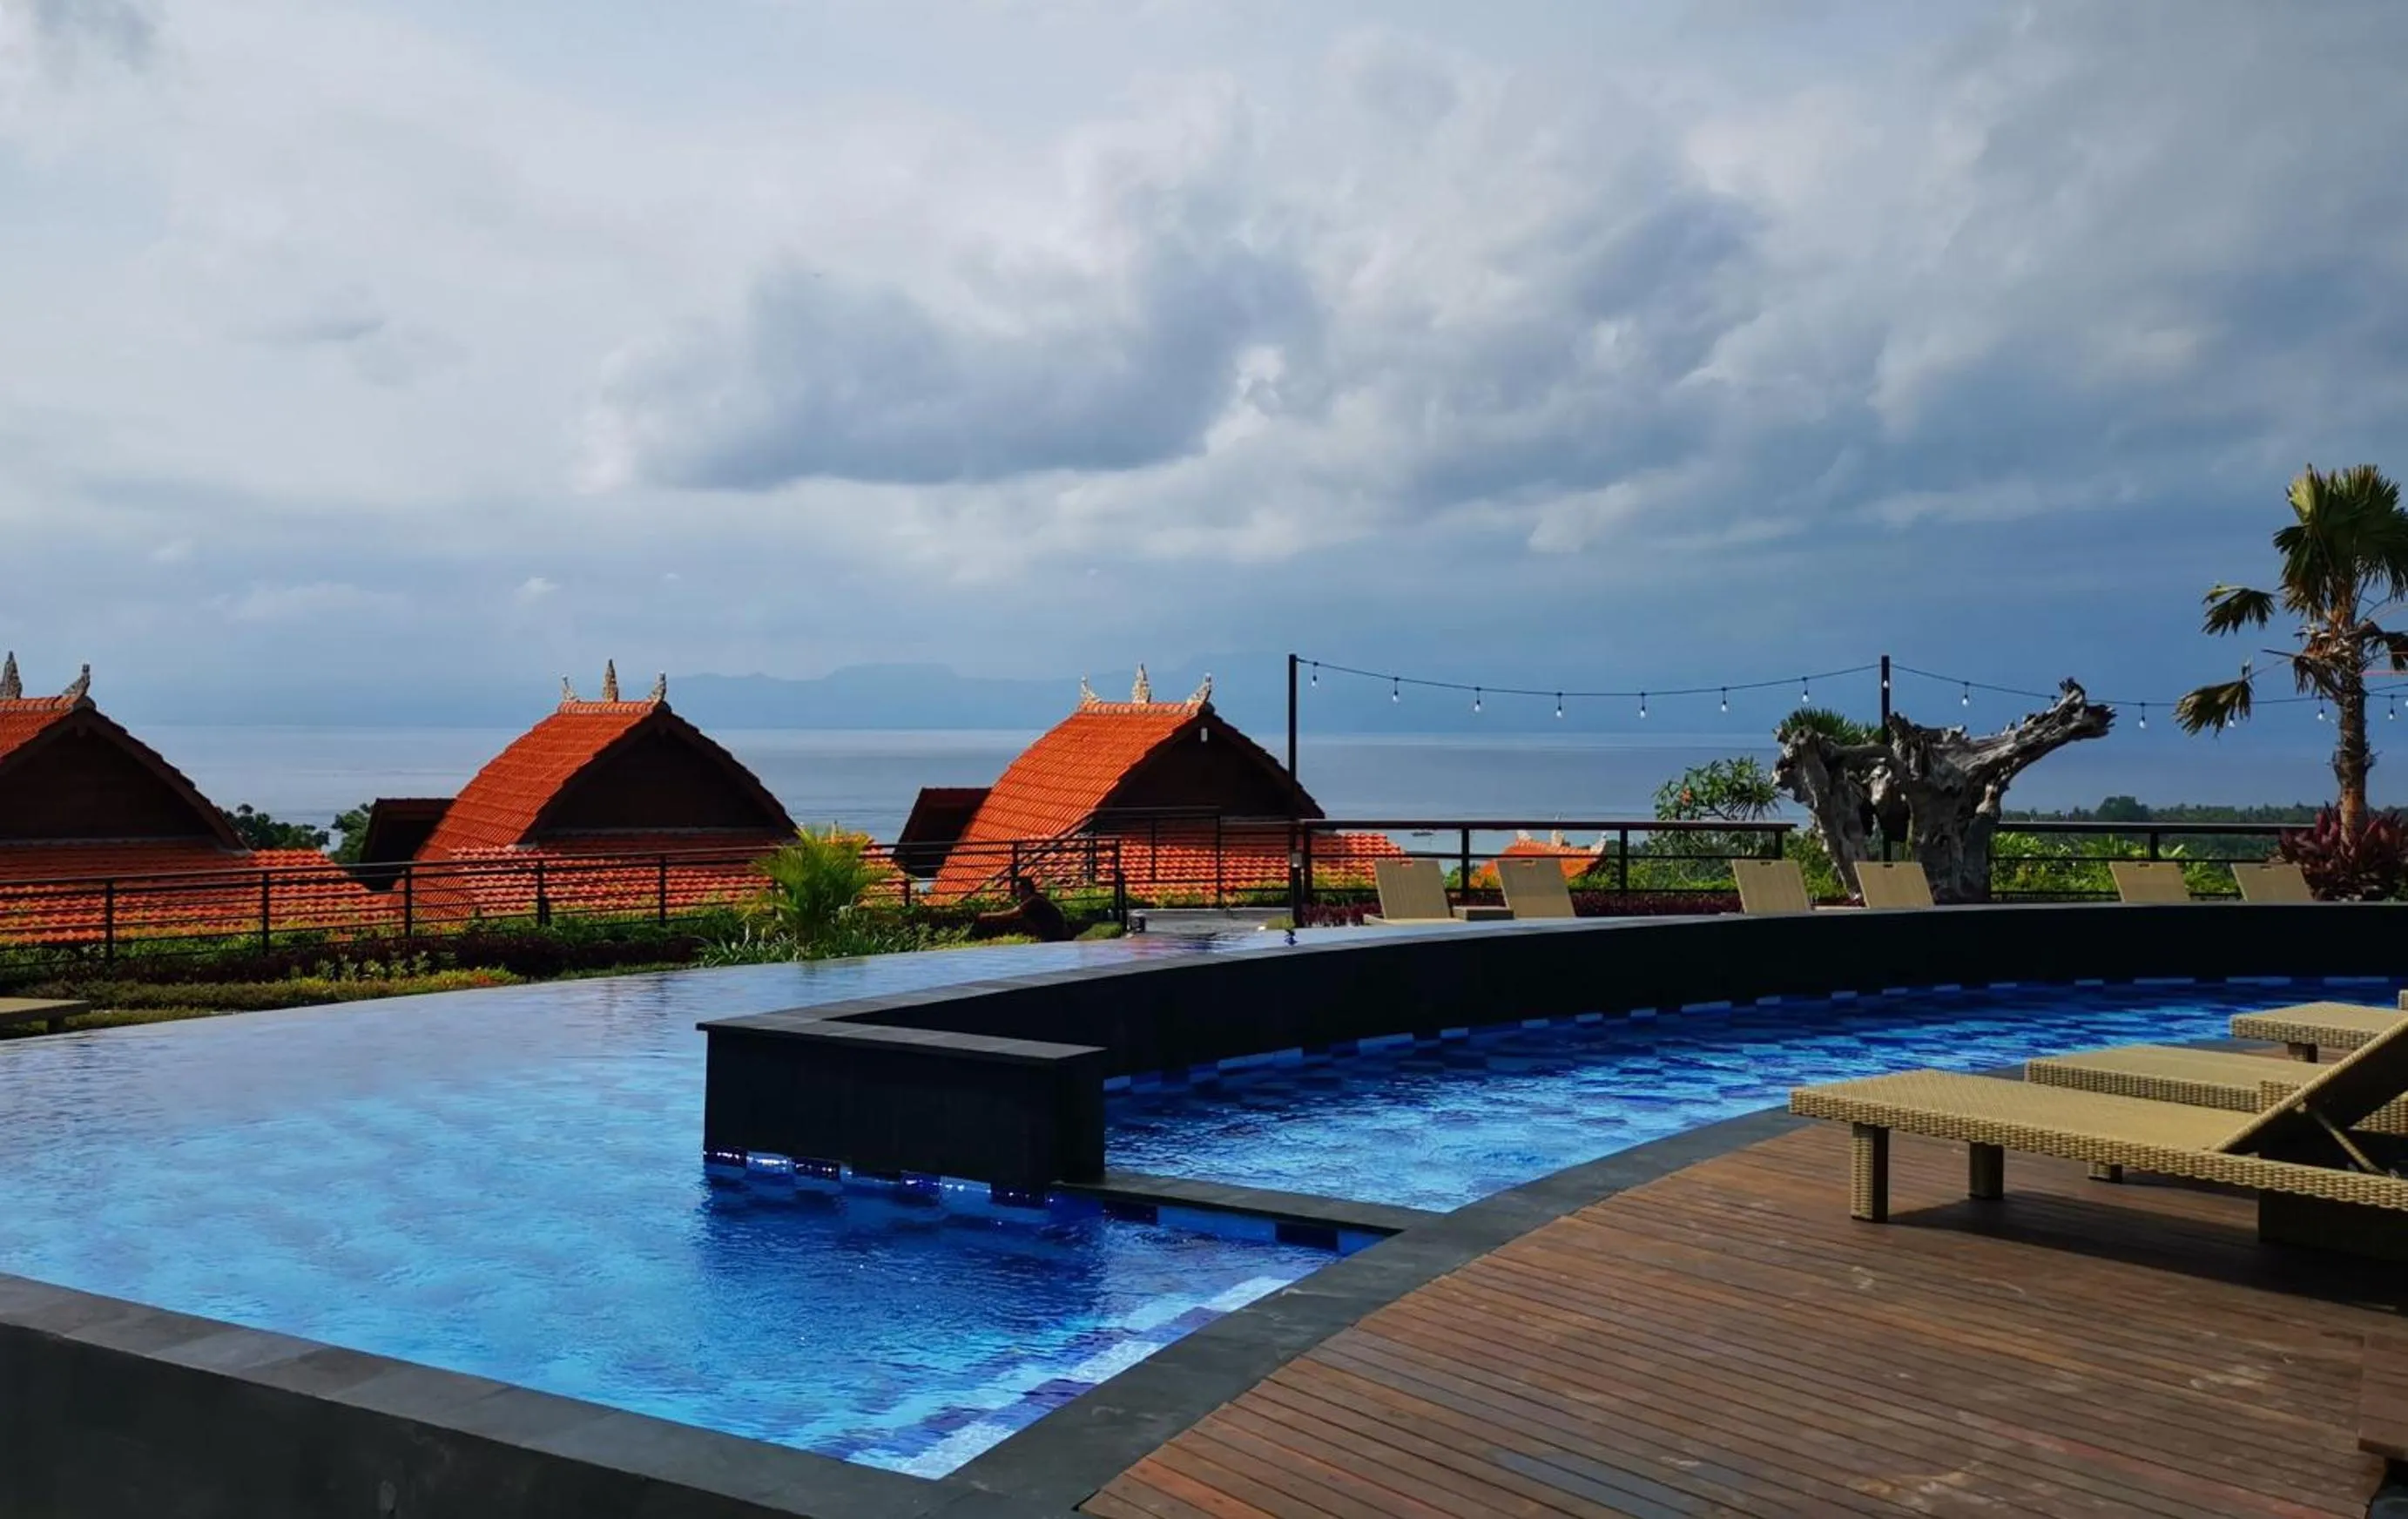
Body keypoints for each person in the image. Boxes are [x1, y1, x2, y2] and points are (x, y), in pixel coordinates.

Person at [970, 874, 1073, 942]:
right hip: (1057, 935)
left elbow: (1011, 914)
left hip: (1057, 937)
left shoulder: (1033, 901)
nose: (1017, 894)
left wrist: (987, 915)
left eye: (1019, 891)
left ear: (1026, 889)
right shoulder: (1037, 897)